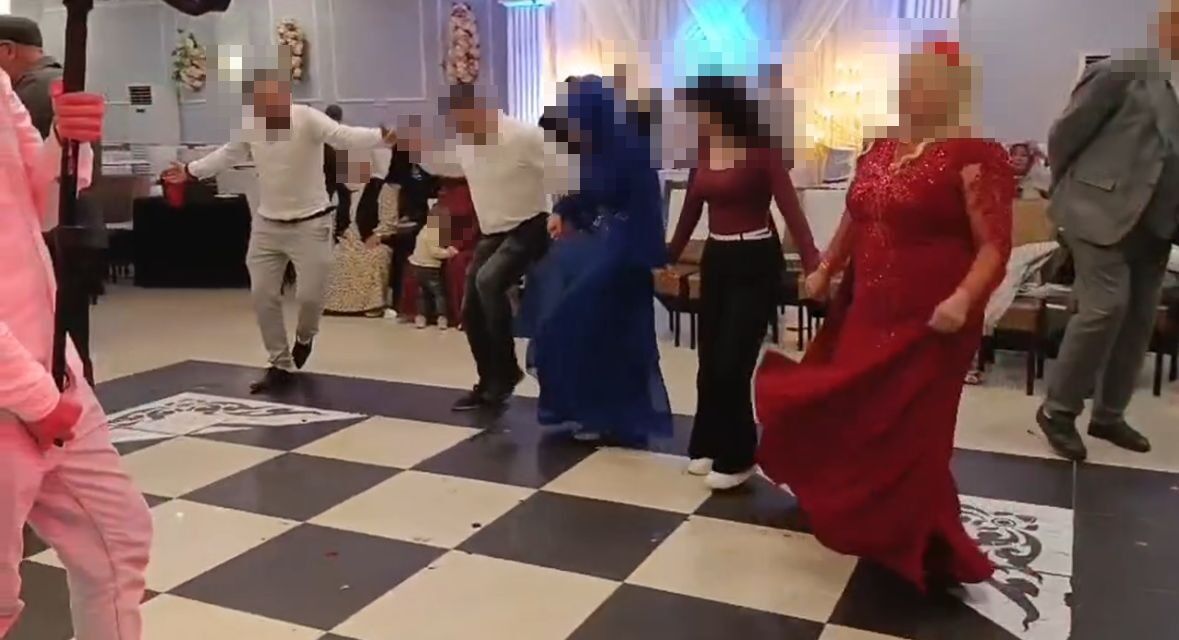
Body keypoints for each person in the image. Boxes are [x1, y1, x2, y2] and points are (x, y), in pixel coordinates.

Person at [754, 41, 1014, 590]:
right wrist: (826, 268)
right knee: (860, 414)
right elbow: (856, 217)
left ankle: (922, 541)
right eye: (909, 81)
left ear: (951, 91)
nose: (912, 92)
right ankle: (866, 521)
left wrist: (963, 299)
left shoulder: (976, 156)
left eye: (925, 83)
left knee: (914, 433)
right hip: (869, 311)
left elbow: (994, 246)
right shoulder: (880, 150)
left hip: (935, 320)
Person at [0, 72, 153, 638]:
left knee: (115, 543)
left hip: (49, 373)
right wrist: (36, 400)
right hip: (24, 394)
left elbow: (36, 205)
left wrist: (67, 142)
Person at [163, 67, 395, 393]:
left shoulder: (307, 118)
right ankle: (280, 363)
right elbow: (227, 154)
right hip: (267, 226)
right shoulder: (251, 125)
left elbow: (342, 135)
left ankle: (305, 337)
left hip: (311, 223)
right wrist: (190, 170)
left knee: (310, 297)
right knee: (263, 296)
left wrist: (379, 136)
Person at [1035, 4, 1179, 461]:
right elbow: (1065, 134)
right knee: (1105, 307)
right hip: (1096, 210)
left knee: (1139, 319)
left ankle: (1109, 415)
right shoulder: (1122, 71)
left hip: (1157, 223)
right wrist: (1065, 191)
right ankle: (1058, 411)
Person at [665, 75, 820, 491]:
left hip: (755, 260)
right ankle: (709, 443)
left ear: (718, 108)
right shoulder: (703, 152)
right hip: (717, 259)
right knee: (710, 359)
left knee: (732, 362)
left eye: (696, 109)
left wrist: (813, 264)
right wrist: (667, 254)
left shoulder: (760, 151)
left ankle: (739, 456)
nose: (692, 117)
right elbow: (692, 209)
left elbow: (791, 211)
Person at [524, 76, 673, 445]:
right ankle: (590, 411)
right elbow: (587, 195)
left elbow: (647, 209)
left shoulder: (632, 152)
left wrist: (648, 259)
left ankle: (615, 417)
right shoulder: (593, 151)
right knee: (585, 331)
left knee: (597, 331)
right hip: (602, 247)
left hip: (626, 255)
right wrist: (563, 211)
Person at [0, 16, 106, 385]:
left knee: (59, 339)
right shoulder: (54, 81)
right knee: (70, 336)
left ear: (7, 50)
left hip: (49, 236)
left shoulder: (26, 89)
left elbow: (33, 182)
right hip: (68, 227)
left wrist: (63, 136)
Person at [433, 83, 551, 411]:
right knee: (470, 308)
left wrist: (565, 215)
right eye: (456, 124)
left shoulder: (523, 136)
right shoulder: (465, 145)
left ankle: (506, 371)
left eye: (464, 121)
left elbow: (564, 172)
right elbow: (443, 167)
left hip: (530, 225)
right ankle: (490, 380)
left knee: (488, 282)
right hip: (494, 232)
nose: (462, 130)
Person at [324, 150, 397, 316]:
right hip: (346, 240)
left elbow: (389, 221)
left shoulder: (381, 188)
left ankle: (370, 306)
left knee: (374, 257)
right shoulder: (341, 190)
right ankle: (336, 305)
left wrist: (378, 236)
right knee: (336, 257)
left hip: (372, 238)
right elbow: (333, 220)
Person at [409, 204, 459, 329]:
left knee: (422, 294)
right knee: (439, 293)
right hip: (429, 267)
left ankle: (421, 316)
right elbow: (435, 252)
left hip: (416, 265)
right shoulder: (434, 233)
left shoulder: (424, 230)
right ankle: (442, 317)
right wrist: (449, 253)